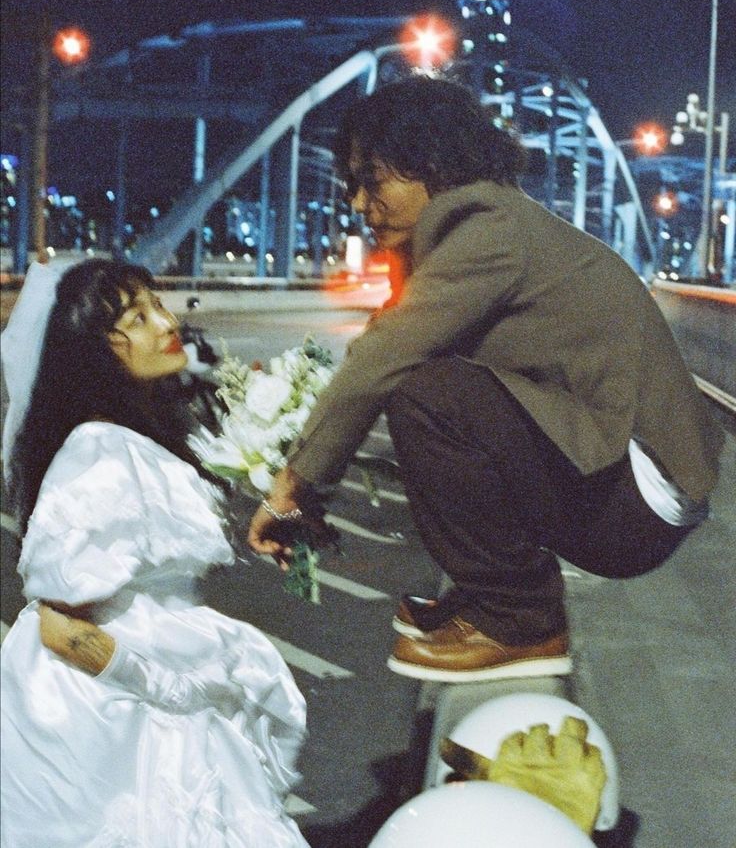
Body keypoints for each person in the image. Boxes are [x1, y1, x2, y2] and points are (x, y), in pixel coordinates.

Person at [248, 75, 724, 683]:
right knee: (431, 385)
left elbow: (381, 361)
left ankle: (519, 619)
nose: (360, 205)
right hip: (623, 480)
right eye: (353, 187)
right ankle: (490, 599)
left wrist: (292, 487)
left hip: (637, 500)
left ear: (432, 165)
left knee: (426, 393)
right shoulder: (481, 229)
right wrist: (313, 484)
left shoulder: (488, 233)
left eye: (372, 181)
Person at [0, 258, 309, 847]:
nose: (165, 322)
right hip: (119, 707)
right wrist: (173, 690)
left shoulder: (130, 433)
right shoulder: (97, 453)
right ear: (96, 351)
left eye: (158, 305)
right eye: (137, 317)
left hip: (155, 680)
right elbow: (59, 627)